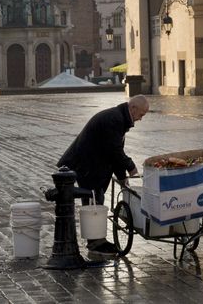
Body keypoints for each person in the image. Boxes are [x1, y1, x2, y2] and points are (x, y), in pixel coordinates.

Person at [57, 95, 150, 254]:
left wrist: (122, 177)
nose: (140, 119)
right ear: (133, 108)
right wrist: (130, 166)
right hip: (86, 164)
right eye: (141, 114)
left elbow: (112, 153)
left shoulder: (119, 118)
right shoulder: (114, 119)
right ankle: (95, 243)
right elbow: (114, 150)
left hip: (93, 164)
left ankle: (96, 240)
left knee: (95, 200)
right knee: (94, 200)